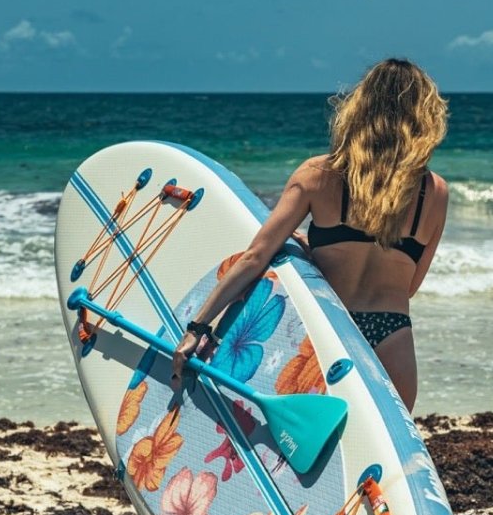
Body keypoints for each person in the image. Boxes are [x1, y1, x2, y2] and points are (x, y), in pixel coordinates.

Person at [171, 57, 449, 411]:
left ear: (359, 107)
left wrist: (197, 327)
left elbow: (255, 257)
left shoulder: (318, 174)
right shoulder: (435, 191)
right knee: (382, 444)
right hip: (393, 335)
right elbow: (409, 286)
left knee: (304, 442)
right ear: (425, 117)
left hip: (328, 330)